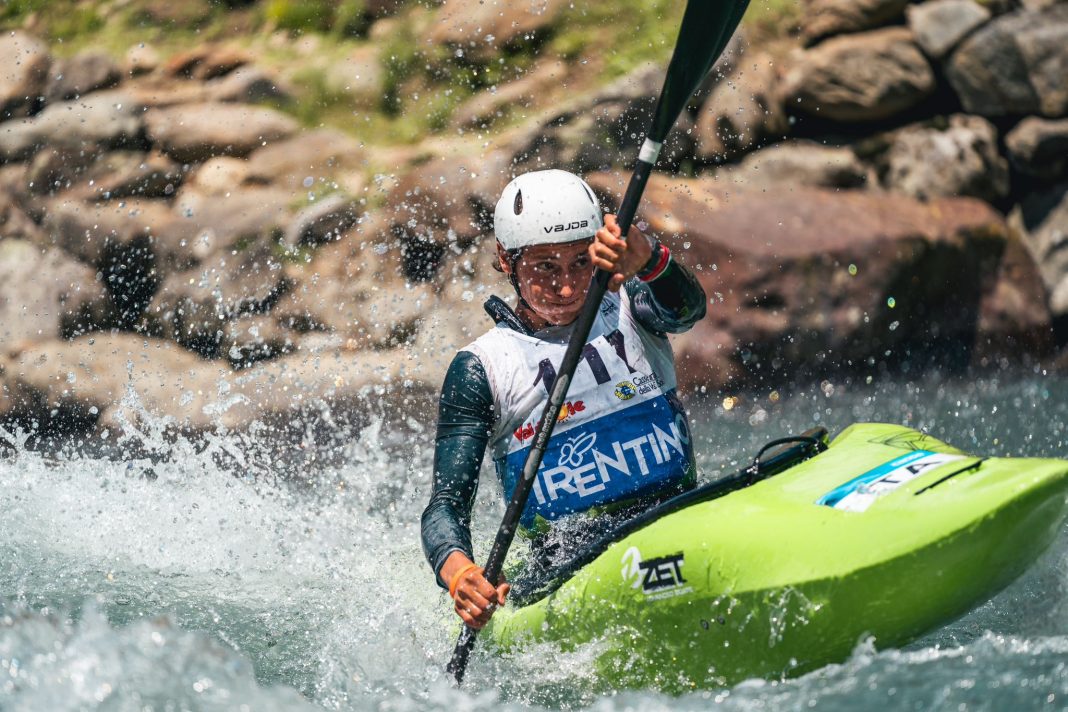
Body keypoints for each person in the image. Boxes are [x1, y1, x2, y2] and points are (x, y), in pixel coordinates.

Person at [420, 169, 707, 629]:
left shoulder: (631, 301)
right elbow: (445, 506)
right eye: (545, 268)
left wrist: (651, 260)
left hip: (680, 520)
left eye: (580, 262)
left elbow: (688, 310)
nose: (568, 287)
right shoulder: (481, 368)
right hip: (568, 570)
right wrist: (460, 573)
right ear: (504, 259)